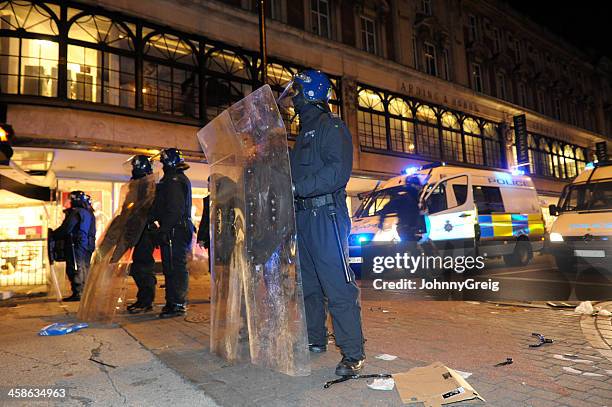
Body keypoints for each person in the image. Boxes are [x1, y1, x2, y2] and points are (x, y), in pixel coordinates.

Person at [280, 69, 365, 376]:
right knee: (308, 287)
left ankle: (353, 354)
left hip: (326, 216)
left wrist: (297, 188)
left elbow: (337, 173)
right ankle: (315, 340)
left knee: (337, 287)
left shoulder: (332, 127)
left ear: (312, 94)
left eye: (298, 94)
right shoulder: (302, 135)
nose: (294, 100)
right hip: (302, 218)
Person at [151, 148, 195, 318]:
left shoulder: (174, 180)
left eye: (163, 162)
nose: (162, 166)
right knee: (172, 266)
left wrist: (164, 229)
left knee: (175, 267)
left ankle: (177, 304)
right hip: (176, 228)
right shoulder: (173, 179)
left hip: (176, 229)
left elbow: (174, 209)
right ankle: (173, 302)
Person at [126, 155, 158, 314]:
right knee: (138, 266)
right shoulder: (138, 184)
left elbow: (147, 207)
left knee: (143, 266)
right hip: (137, 229)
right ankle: (143, 299)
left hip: (144, 230)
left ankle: (146, 301)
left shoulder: (148, 184)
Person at [51, 190, 96, 302]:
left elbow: (67, 228)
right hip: (87, 244)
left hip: (76, 244)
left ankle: (78, 292)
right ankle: (84, 292)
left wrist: (53, 235)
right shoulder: (89, 213)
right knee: (84, 267)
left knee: (75, 267)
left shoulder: (77, 212)